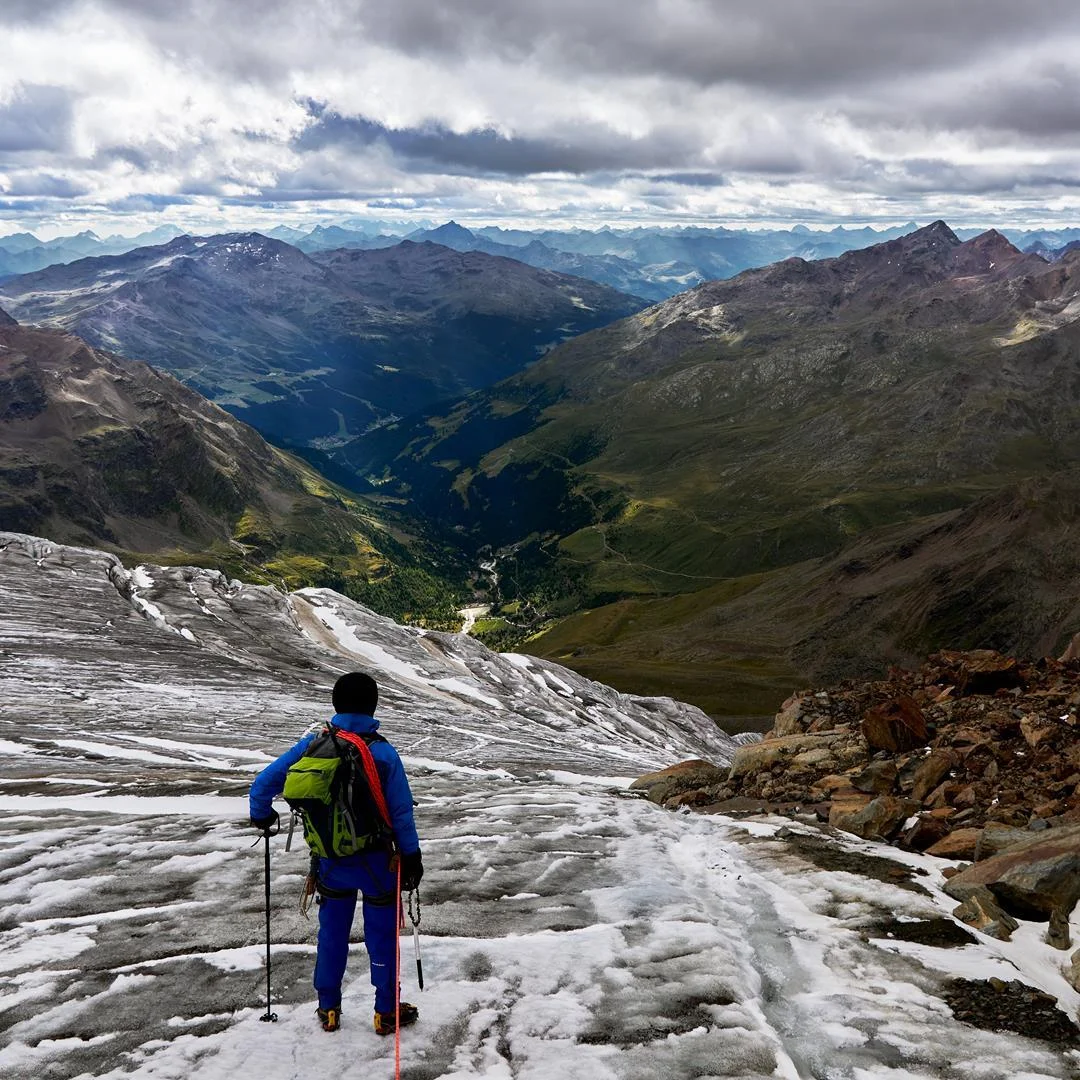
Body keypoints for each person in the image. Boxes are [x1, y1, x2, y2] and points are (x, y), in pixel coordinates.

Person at [249, 671, 423, 1035]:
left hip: (329, 862)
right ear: (373, 705)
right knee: (381, 936)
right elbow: (401, 812)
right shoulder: (382, 752)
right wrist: (412, 857)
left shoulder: (314, 745)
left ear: (336, 704)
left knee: (331, 935)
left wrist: (263, 815)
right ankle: (385, 1011)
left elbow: (263, 784)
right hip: (377, 862)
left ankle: (328, 1008)